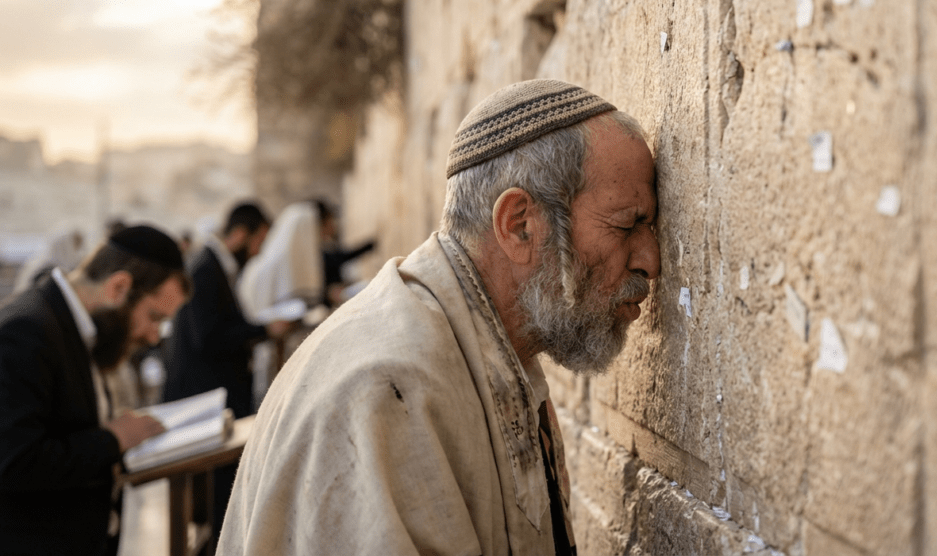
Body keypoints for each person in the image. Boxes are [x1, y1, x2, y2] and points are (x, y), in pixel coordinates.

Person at [218, 79, 661, 555]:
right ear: (520, 225)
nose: (650, 260)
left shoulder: (488, 347)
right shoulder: (385, 391)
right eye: (626, 224)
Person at [0, 225, 191, 555]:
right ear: (118, 287)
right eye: (154, 317)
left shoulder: (76, 326)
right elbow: (16, 461)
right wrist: (115, 439)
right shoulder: (26, 330)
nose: (154, 336)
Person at [161, 201, 291, 547]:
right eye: (259, 240)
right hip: (205, 398)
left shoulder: (216, 265)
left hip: (214, 394)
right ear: (240, 235)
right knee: (216, 498)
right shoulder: (206, 268)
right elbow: (209, 337)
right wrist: (263, 330)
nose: (260, 251)